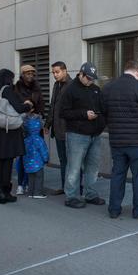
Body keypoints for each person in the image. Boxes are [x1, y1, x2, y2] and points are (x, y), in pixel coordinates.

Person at [103, 61, 138, 219]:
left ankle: (114, 209)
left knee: (117, 174)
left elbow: (103, 110)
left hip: (117, 140)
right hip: (137, 141)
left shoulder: (108, 88)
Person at [61, 62, 106, 208]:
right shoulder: (70, 89)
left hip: (94, 134)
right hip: (77, 134)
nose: (90, 81)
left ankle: (90, 194)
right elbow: (63, 112)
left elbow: (102, 109)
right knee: (74, 167)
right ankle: (71, 196)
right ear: (81, 74)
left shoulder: (96, 89)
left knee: (92, 167)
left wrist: (101, 125)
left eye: (93, 78)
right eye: (88, 78)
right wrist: (84, 114)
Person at [0, 69, 33, 204]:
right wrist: (28, 106)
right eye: (12, 79)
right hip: (8, 131)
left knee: (0, 162)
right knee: (7, 163)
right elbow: (18, 108)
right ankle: (4, 193)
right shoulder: (6, 90)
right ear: (8, 79)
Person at [14, 65, 45, 195]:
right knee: (22, 156)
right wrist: (27, 105)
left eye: (32, 73)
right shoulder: (17, 87)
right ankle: (21, 183)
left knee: (35, 155)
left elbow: (41, 104)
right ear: (22, 74)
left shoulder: (37, 87)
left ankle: (30, 184)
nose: (30, 75)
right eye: (27, 73)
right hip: (22, 125)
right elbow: (16, 104)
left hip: (35, 125)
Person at [45, 61, 73, 195]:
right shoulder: (56, 85)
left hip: (68, 130)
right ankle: (64, 186)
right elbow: (53, 106)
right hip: (57, 129)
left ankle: (72, 188)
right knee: (63, 160)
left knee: (71, 161)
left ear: (65, 71)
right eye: (53, 73)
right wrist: (47, 124)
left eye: (57, 72)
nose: (55, 75)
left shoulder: (72, 85)